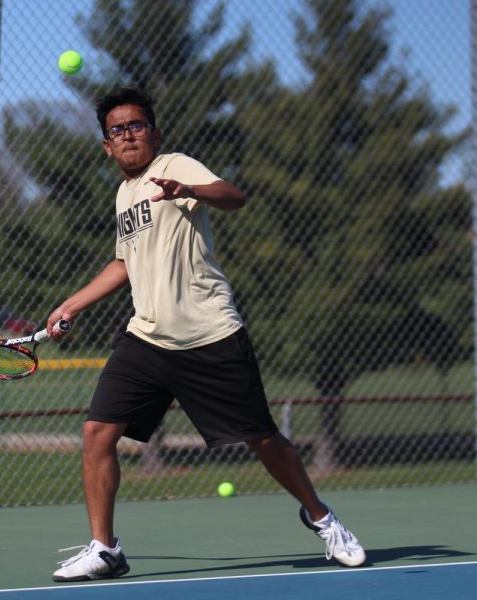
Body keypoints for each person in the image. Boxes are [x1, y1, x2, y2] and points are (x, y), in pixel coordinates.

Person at [46, 86, 366, 582]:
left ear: (154, 133)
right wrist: (72, 304)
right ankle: (105, 549)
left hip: (209, 333)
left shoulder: (177, 165)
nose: (128, 135)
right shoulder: (124, 193)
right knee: (96, 434)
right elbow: (124, 263)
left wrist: (189, 190)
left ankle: (321, 518)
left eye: (136, 126)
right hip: (147, 339)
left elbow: (233, 196)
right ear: (106, 146)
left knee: (262, 439)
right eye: (117, 130)